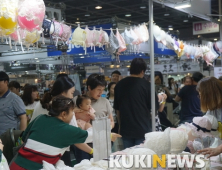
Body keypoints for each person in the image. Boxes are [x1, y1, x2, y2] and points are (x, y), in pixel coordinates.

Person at [10, 95, 93, 170]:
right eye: (72, 111)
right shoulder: (67, 130)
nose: (73, 115)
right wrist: (89, 125)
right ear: (64, 114)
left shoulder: (40, 118)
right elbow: (92, 135)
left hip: (15, 165)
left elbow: (24, 137)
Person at [114, 58, 159, 149]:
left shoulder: (119, 85)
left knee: (128, 158)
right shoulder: (147, 85)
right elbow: (154, 109)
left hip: (126, 129)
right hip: (143, 129)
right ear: (143, 71)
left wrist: (120, 126)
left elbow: (117, 109)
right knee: (141, 159)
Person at [74, 73, 115, 162]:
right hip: (83, 144)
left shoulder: (105, 102)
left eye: (103, 90)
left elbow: (112, 121)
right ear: (89, 88)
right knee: (84, 167)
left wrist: (107, 128)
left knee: (102, 165)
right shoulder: (77, 100)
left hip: (102, 143)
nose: (101, 92)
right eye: (98, 89)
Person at [196, 77, 222, 158]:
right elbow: (203, 124)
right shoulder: (213, 109)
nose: (200, 98)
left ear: (209, 95)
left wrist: (219, 149)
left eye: (201, 95)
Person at [0, 71, 27, 136]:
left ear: (6, 82)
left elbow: (23, 118)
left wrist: (21, 137)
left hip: (9, 139)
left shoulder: (15, 99)